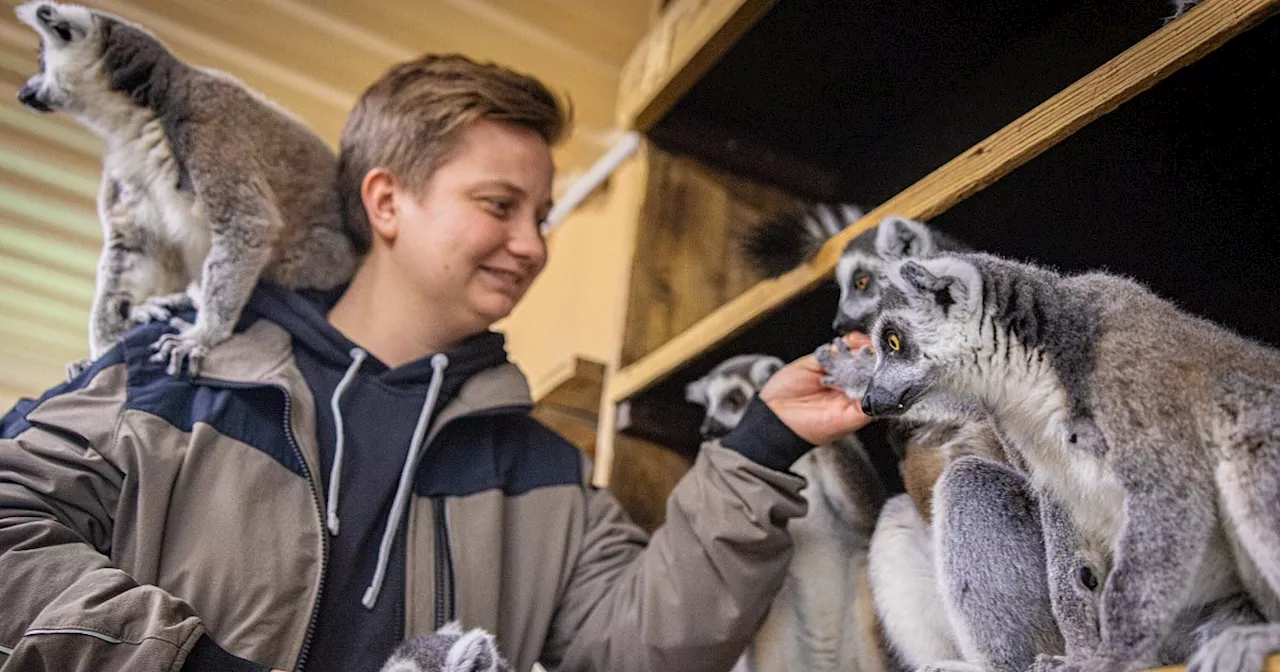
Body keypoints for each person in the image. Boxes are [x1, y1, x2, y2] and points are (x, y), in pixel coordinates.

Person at [0, 54, 871, 672]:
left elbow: (644, 648)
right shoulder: (175, 371)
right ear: (387, 201)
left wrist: (758, 446)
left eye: (542, 216)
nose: (531, 246)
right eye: (499, 205)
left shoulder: (548, 476)